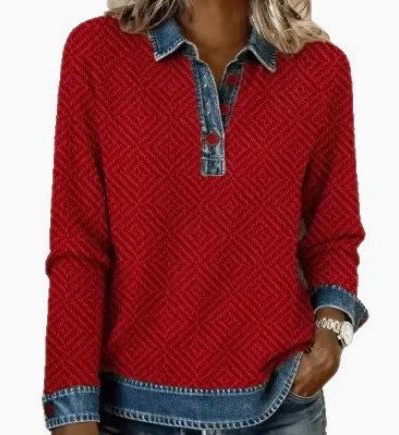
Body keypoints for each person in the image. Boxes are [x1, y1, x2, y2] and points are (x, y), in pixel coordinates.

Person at [41, 1, 369, 434]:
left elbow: (333, 232)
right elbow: (79, 246)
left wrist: (331, 336)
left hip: (281, 407)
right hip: (131, 411)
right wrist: (74, 414)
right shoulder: (98, 52)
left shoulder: (319, 68)